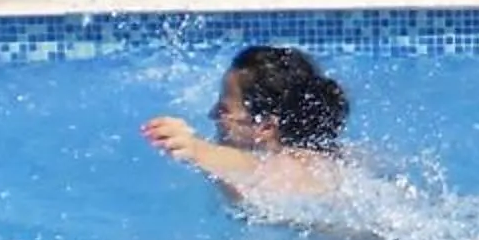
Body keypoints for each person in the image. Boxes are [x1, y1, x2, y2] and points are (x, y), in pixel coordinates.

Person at [144, 44, 349, 197]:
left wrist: (195, 148)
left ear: (266, 126)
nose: (212, 114)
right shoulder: (337, 157)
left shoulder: (293, 169)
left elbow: (256, 168)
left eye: (224, 109)